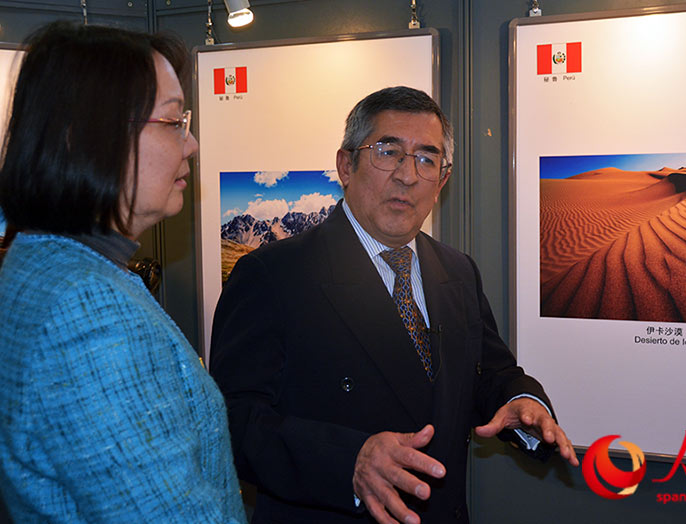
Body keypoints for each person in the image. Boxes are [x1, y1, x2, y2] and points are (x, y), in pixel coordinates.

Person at [210, 86, 579, 524]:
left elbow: (488, 374)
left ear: (442, 182)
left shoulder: (457, 271)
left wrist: (520, 399)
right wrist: (349, 461)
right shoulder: (272, 275)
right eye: (388, 152)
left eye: (427, 159)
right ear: (346, 165)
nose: (407, 175)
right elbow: (232, 422)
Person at [0, 22, 246, 523]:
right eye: (174, 121)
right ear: (87, 136)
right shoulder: (87, 311)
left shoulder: (40, 262)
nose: (192, 144)